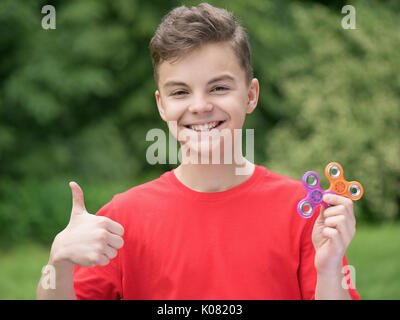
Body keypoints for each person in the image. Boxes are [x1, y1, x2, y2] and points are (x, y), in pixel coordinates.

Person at [36, 3, 360, 300]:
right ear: (162, 105)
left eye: (218, 87)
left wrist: (330, 271)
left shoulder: (303, 214)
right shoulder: (122, 220)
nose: (201, 106)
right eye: (180, 92)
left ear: (250, 95)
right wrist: (59, 262)